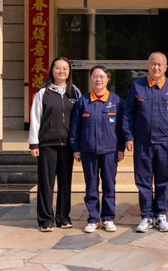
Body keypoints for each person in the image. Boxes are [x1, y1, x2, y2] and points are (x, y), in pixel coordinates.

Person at [123, 52, 168, 233]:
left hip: (165, 142)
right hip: (142, 142)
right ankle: (147, 216)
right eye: (153, 64)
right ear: (148, 66)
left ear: (166, 67)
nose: (156, 67)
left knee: (163, 180)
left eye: (159, 64)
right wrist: (128, 137)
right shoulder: (138, 86)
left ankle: (161, 214)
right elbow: (128, 113)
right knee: (143, 180)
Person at [28, 56, 82, 232]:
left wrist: (78, 144)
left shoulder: (75, 92)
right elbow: (35, 118)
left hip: (68, 145)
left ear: (69, 71)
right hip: (47, 144)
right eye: (58, 68)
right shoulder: (43, 92)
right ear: (52, 70)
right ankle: (45, 220)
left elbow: (79, 120)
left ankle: (63, 218)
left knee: (65, 183)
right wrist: (34, 144)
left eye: (65, 68)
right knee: (46, 183)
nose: (61, 71)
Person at [70, 65, 126, 234]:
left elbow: (121, 127)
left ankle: (108, 218)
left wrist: (121, 148)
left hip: (110, 150)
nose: (98, 79)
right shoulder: (83, 101)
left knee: (109, 185)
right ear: (91, 79)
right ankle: (93, 219)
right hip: (88, 150)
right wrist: (76, 148)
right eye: (95, 76)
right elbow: (75, 127)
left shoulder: (115, 101)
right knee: (91, 185)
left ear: (108, 79)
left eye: (102, 76)